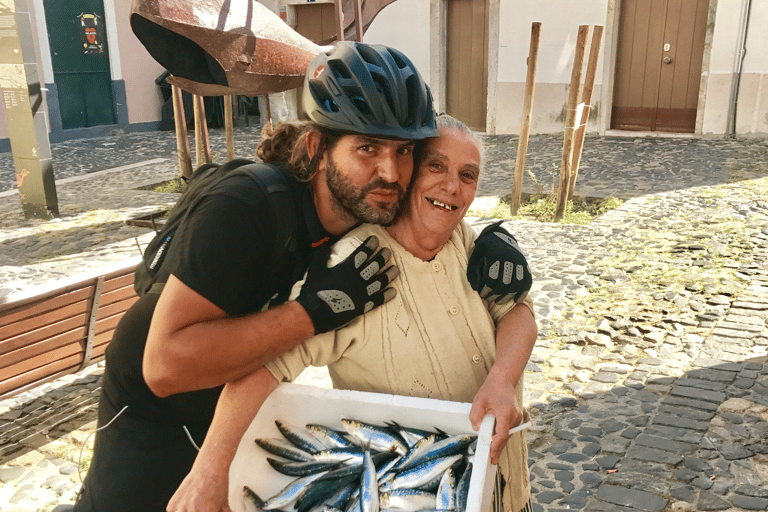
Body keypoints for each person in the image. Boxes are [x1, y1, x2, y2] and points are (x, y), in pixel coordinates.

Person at [70, 43, 531, 512]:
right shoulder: (245, 207)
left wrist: (491, 240)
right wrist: (313, 312)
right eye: (367, 147)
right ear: (318, 149)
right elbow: (165, 368)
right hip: (156, 407)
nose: (390, 172)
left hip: (238, 409)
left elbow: (436, 213)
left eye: (404, 151)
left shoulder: (365, 209)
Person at [167, 114, 538, 512]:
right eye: (436, 165)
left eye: (468, 175)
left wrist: (501, 380)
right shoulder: (354, 266)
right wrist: (209, 471)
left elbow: (518, 311)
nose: (452, 186)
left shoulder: (468, 243)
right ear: (409, 172)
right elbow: (263, 368)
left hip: (510, 492)